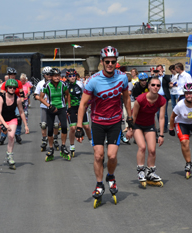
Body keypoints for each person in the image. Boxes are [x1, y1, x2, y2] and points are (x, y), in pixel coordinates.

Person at [75, 46, 131, 206]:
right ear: (102, 62)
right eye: (107, 61)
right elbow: (83, 104)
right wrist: (79, 126)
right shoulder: (93, 80)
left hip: (114, 122)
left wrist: (130, 118)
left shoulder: (123, 78)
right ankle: (99, 184)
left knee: (112, 156)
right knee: (99, 155)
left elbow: (126, 98)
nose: (110, 64)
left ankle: (111, 176)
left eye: (113, 61)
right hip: (98, 122)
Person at [126, 76, 166, 187]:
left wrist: (161, 135)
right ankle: (141, 170)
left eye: (158, 85)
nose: (155, 87)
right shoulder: (141, 99)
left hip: (149, 125)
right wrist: (130, 130)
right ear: (148, 86)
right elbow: (133, 116)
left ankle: (150, 172)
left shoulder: (162, 100)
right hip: (137, 125)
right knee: (142, 147)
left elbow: (161, 118)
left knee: (152, 150)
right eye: (153, 85)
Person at [0, 79, 29, 169]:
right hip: (0, 120)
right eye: (10, 87)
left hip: (12, 119)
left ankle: (10, 156)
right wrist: (5, 125)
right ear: (6, 88)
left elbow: (21, 112)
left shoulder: (17, 99)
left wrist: (26, 125)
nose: (12, 89)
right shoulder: (1, 97)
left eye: (14, 88)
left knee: (11, 136)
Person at [39, 68, 71, 161]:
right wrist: (49, 106)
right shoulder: (46, 85)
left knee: (64, 127)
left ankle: (63, 146)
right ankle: (51, 148)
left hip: (61, 108)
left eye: (58, 76)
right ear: (51, 77)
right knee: (50, 129)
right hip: (51, 108)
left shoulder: (64, 84)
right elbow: (41, 98)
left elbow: (67, 95)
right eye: (55, 76)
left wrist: (69, 107)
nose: (57, 77)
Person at [66, 68, 92, 157]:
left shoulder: (80, 84)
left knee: (86, 126)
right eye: (70, 76)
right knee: (73, 128)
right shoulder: (65, 85)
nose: (72, 77)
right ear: (67, 77)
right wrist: (67, 108)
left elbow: (86, 95)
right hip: (71, 108)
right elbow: (65, 98)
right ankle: (72, 146)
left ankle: (91, 141)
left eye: (73, 75)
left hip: (81, 107)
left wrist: (87, 105)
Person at [34, 67, 60, 152]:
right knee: (44, 124)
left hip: (55, 106)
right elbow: (35, 95)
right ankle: (44, 139)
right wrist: (41, 99)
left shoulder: (56, 82)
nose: (48, 76)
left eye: (50, 74)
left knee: (56, 124)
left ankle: (55, 139)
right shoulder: (40, 84)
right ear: (44, 75)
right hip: (44, 107)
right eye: (47, 74)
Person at [0, 67, 25, 145]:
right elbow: (2, 93)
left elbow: (21, 92)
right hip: (7, 102)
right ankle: (3, 135)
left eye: (14, 74)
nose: (13, 76)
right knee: (6, 118)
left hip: (16, 102)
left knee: (18, 118)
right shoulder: (5, 83)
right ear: (8, 75)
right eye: (11, 74)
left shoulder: (18, 82)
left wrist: (22, 99)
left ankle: (17, 134)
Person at [155, 64, 171, 133]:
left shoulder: (166, 76)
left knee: (164, 113)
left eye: (160, 69)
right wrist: (153, 75)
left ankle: (165, 127)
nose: (159, 71)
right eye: (158, 69)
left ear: (162, 69)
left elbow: (169, 81)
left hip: (164, 96)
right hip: (157, 97)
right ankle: (161, 126)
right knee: (158, 113)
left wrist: (163, 75)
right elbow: (149, 82)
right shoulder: (155, 77)